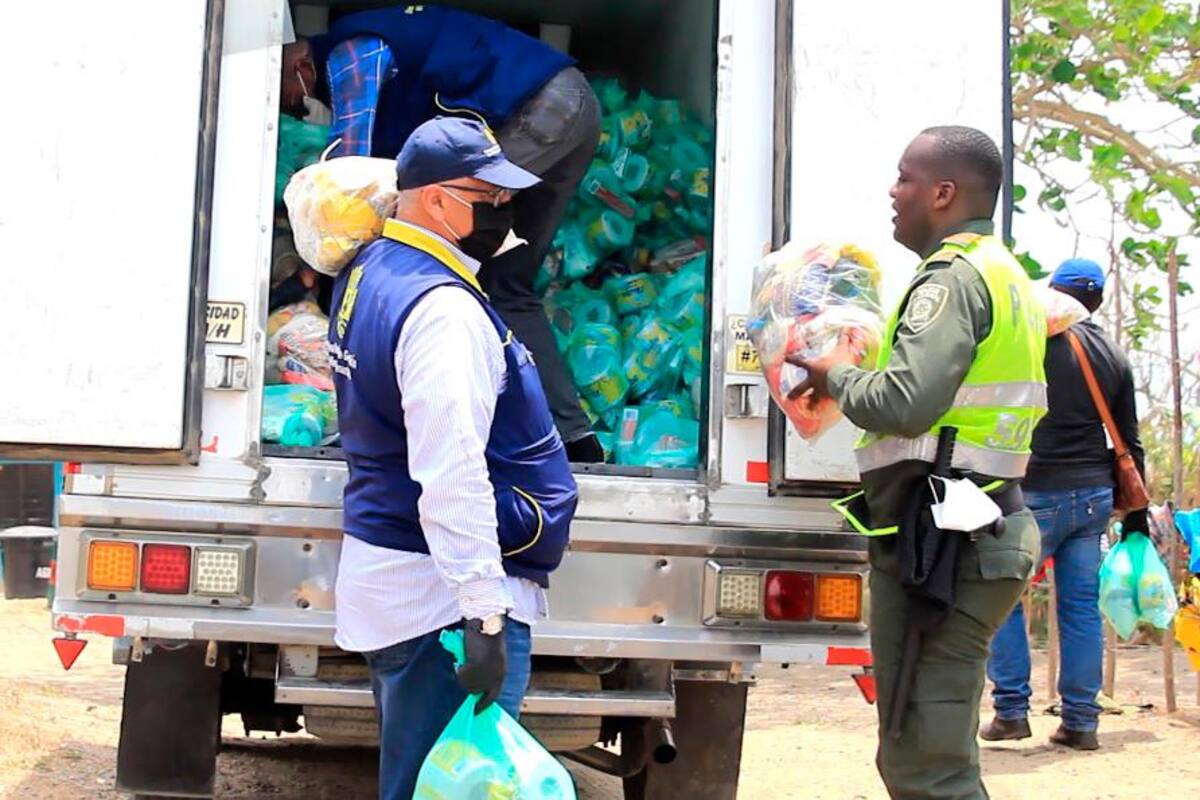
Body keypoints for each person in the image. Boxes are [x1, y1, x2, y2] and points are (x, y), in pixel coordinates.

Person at [326, 117, 579, 800]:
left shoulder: (373, 269)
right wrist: (484, 616)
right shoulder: (443, 311)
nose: (506, 211)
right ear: (438, 200)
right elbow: (452, 471)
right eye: (490, 197)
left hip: (403, 587)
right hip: (437, 606)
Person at [790, 126, 1046, 799]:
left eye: (905, 178)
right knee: (926, 751)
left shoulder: (952, 279)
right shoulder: (1003, 270)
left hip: (953, 545)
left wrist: (839, 375)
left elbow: (905, 402)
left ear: (942, 191)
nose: (893, 191)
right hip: (971, 530)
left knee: (927, 767)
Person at [283, 5, 604, 461]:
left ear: (298, 68)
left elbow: (345, 175)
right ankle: (575, 442)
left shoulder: (349, 54)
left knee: (433, 264)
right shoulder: (380, 56)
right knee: (503, 282)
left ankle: (433, 429)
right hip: (573, 108)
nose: (302, 110)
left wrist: (327, 264)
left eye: (293, 101)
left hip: (540, 113)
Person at [981, 258, 1145, 751]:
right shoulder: (1113, 354)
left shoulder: (1030, 342)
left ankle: (1011, 711)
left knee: (1001, 600)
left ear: (1052, 290)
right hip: (1093, 496)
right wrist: (1135, 515)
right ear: (1097, 301)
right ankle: (1081, 722)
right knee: (1079, 611)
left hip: (1032, 493)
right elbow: (1128, 437)